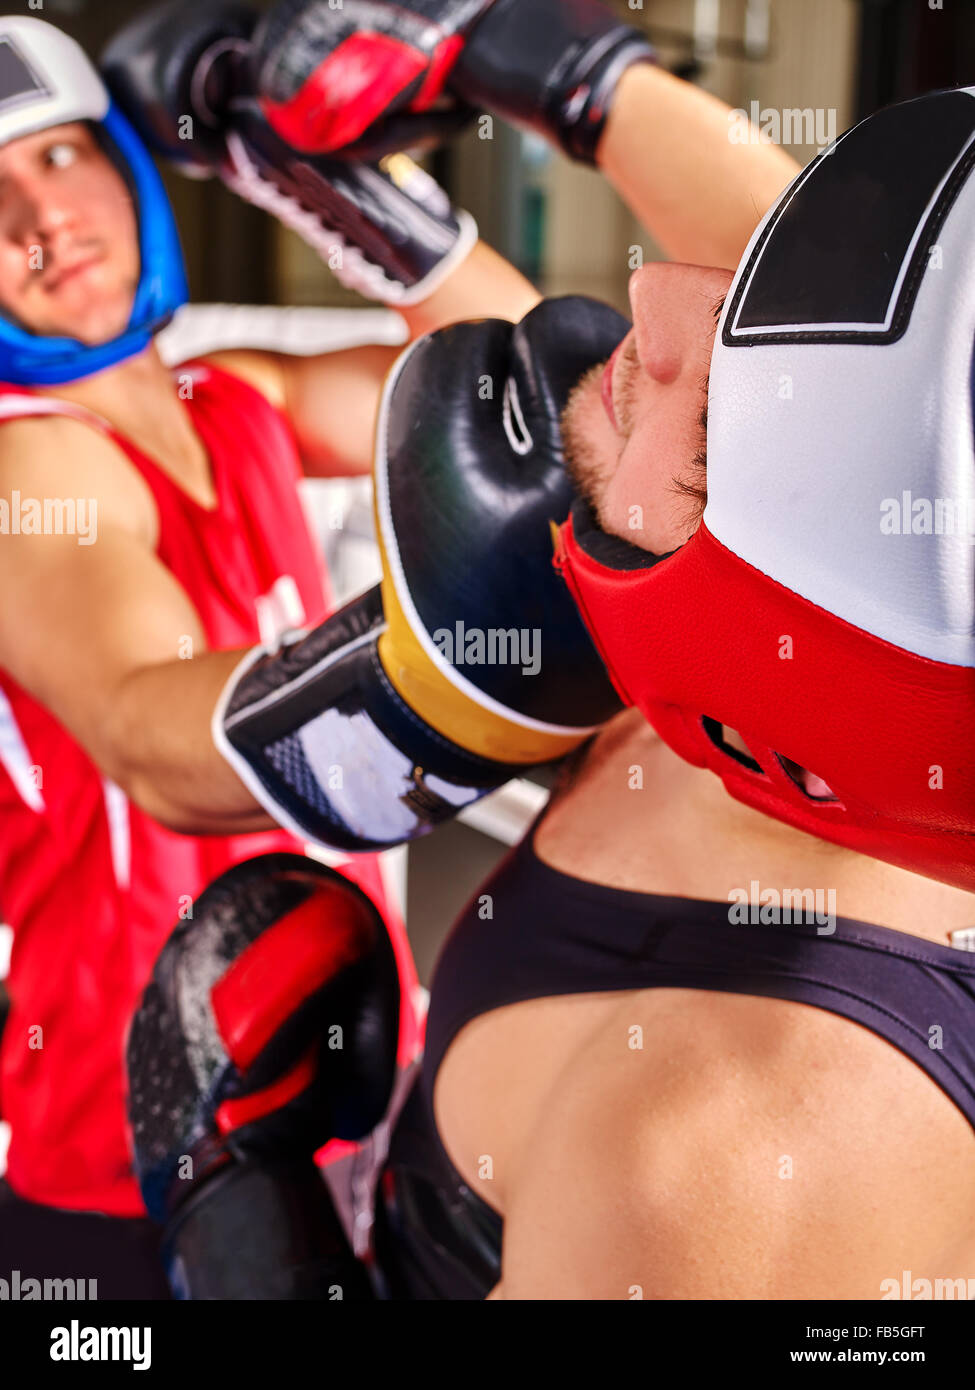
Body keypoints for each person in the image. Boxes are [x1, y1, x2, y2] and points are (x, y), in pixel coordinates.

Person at [119, 0, 975, 1302]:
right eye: (757, 290)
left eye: (718, 428)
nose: (655, 292)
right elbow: (885, 346)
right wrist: (554, 67)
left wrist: (236, 1235)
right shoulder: (827, 660)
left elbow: (145, 738)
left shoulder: (724, 1158)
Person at [0, 10, 539, 1299]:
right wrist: (460, 693)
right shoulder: (28, 466)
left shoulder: (233, 399)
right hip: (128, 1143)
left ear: (130, 170)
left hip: (338, 1056)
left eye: (62, 157)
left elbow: (526, 388)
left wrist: (344, 193)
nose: (41, 217)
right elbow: (147, 733)